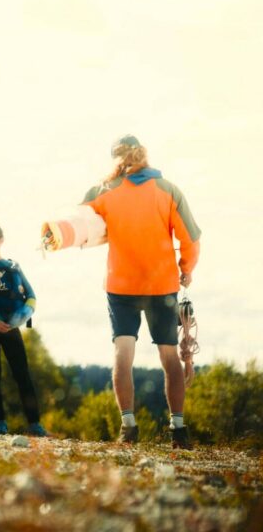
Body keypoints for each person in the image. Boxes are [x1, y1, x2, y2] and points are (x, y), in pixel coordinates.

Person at [81, 135, 200, 449]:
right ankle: (178, 429)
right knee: (169, 356)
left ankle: (128, 427)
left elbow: (78, 220)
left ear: (117, 160)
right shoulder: (168, 190)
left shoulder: (105, 191)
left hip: (121, 286)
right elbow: (191, 238)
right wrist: (186, 267)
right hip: (162, 286)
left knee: (123, 352)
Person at [0, 222, 47, 436]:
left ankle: (34, 424)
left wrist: (18, 320)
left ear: (1, 240)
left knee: (22, 374)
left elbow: (31, 297)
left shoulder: (14, 267)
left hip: (11, 327)